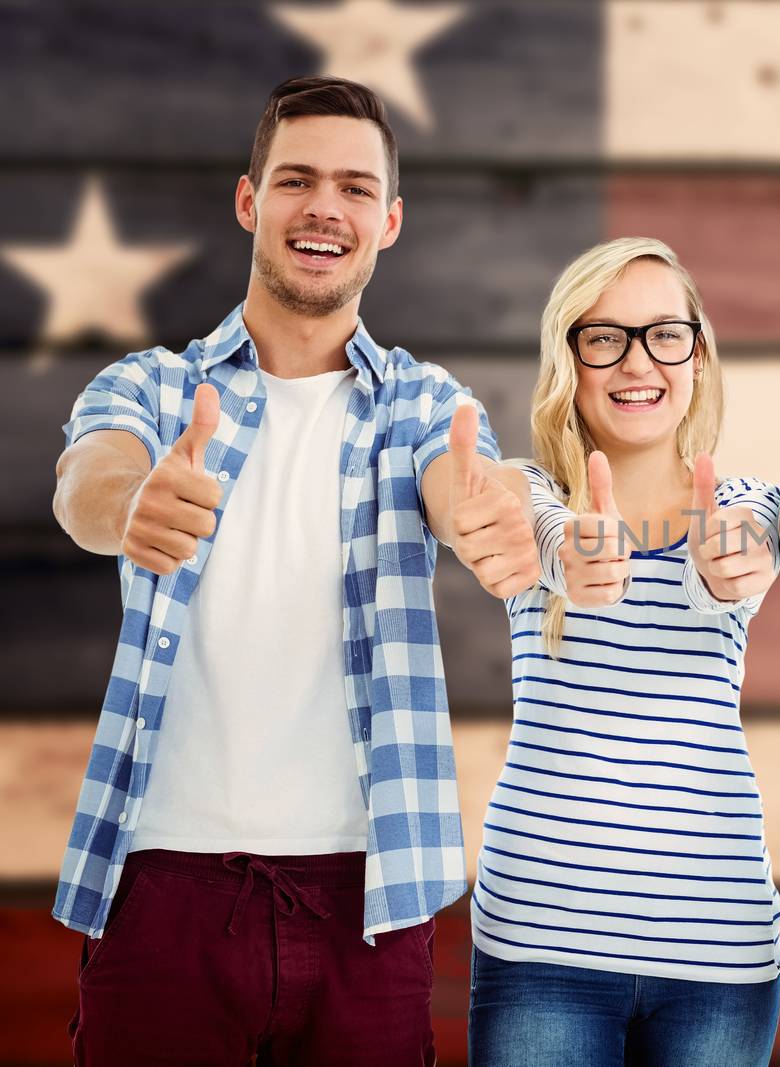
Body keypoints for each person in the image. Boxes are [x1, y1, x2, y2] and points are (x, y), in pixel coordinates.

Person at [49, 75, 536, 1066]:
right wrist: (127, 505)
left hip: (370, 897)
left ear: (389, 221)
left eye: (356, 188)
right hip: (159, 889)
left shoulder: (422, 403)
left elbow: (461, 480)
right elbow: (89, 476)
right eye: (298, 180)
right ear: (249, 201)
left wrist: (487, 515)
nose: (326, 206)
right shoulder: (150, 384)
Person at [467, 237, 780, 1067]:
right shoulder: (526, 494)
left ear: (699, 357)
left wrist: (731, 566)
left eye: (664, 333)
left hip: (717, 954)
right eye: (604, 336)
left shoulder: (746, 506)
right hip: (541, 948)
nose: (636, 359)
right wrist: (564, 551)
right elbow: (514, 509)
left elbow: (764, 552)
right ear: (568, 359)